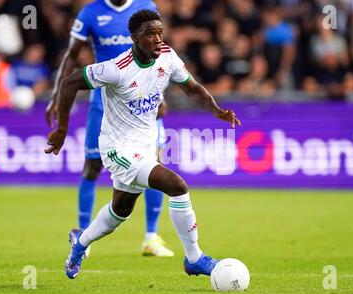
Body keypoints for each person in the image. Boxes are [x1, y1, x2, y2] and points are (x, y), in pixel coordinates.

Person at [45, 9, 240, 279]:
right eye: (150, 34)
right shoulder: (116, 69)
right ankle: (194, 258)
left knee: (119, 211)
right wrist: (62, 130)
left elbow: (192, 87)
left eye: (160, 31)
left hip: (144, 146)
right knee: (177, 186)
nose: (158, 38)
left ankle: (80, 243)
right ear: (135, 38)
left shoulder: (168, 57)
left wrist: (217, 110)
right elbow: (70, 82)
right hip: (118, 150)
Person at [45, 0, 174, 257]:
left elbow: (160, 52)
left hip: (143, 99)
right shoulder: (90, 13)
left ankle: (151, 237)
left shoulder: (145, 6)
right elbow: (71, 56)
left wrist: (161, 95)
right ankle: (83, 236)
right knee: (92, 167)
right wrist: (56, 95)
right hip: (104, 100)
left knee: (156, 164)